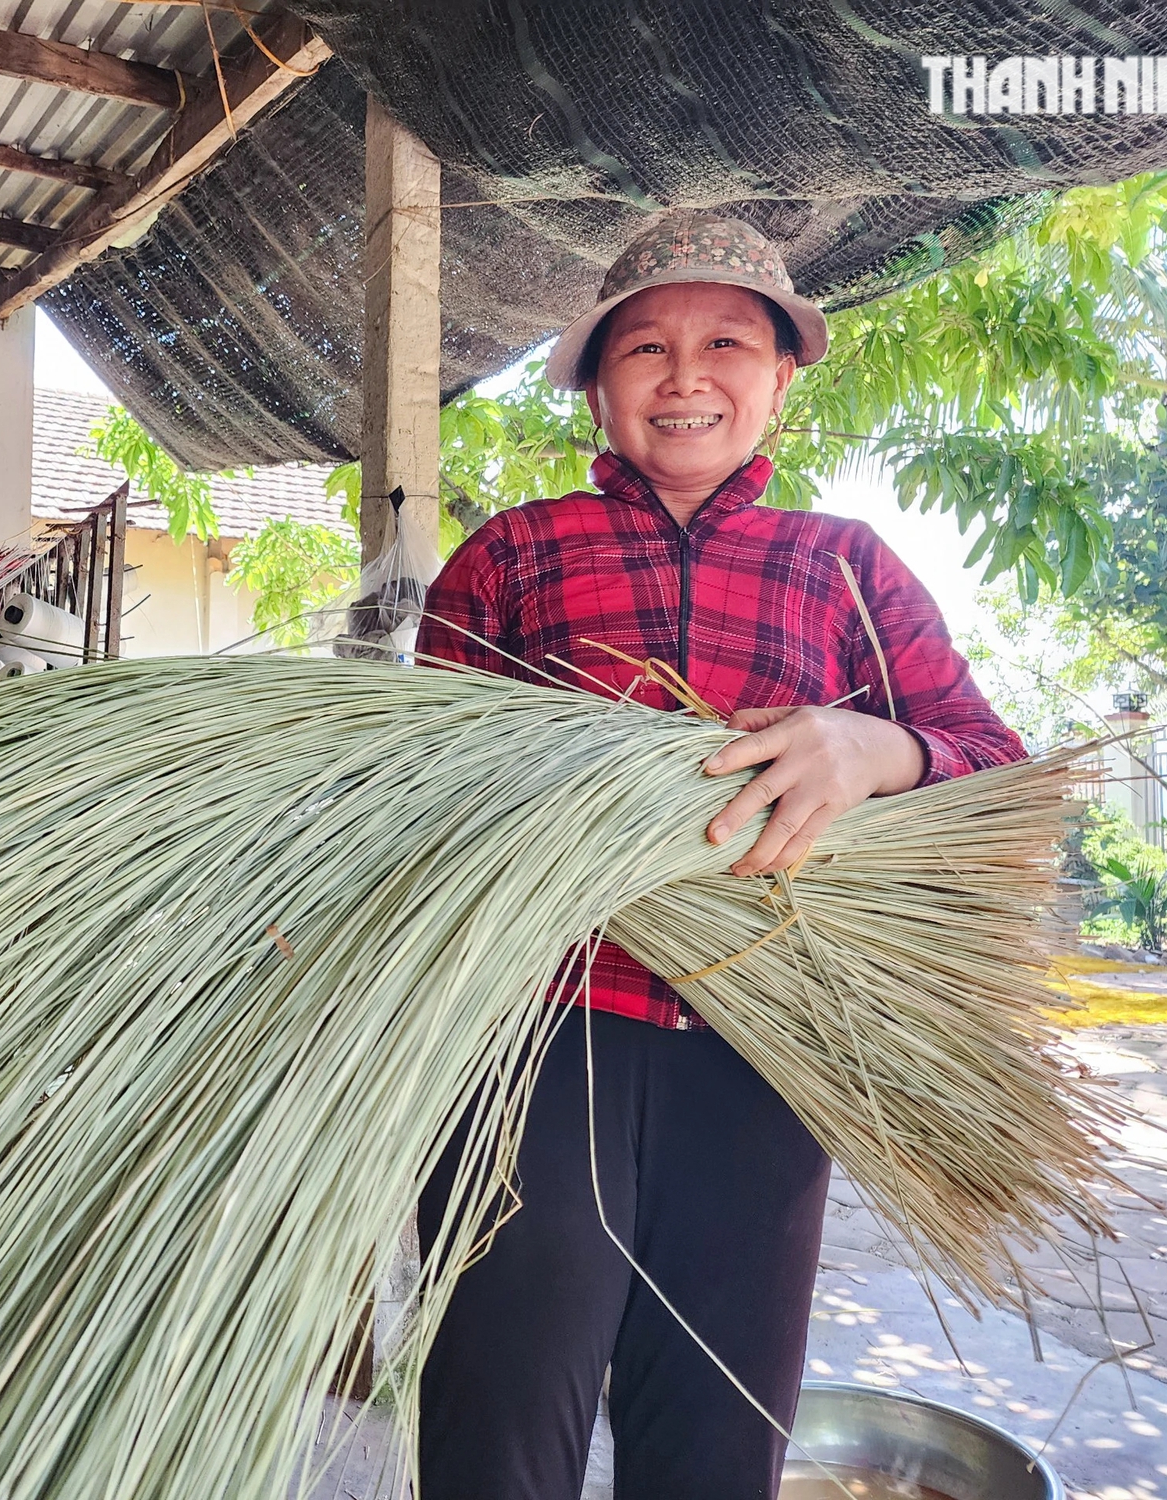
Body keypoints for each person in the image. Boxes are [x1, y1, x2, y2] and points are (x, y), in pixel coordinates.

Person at [412, 210, 1027, 1499]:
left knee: (719, 1425)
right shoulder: (515, 553)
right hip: (536, 1035)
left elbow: (994, 766)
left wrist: (876, 751)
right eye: (645, 347)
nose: (686, 376)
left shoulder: (843, 567)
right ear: (597, 385)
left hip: (764, 1046)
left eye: (727, 343)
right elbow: (427, 791)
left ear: (781, 380)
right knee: (500, 1406)